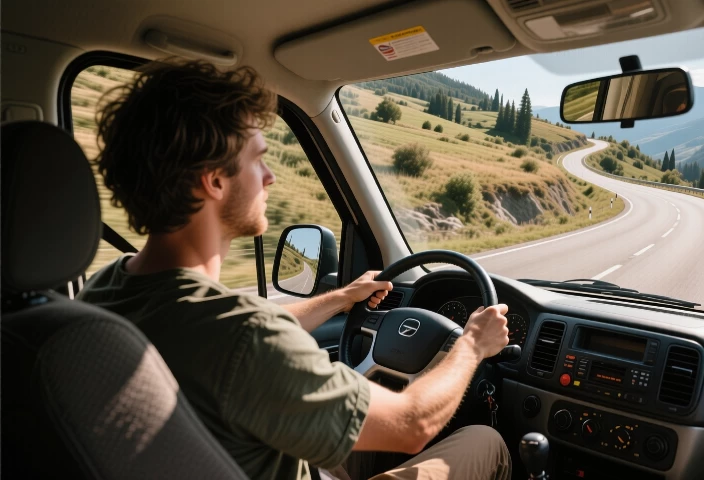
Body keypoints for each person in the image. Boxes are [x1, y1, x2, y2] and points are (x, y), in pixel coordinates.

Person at [78, 58, 512, 480]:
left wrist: (341, 298)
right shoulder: (246, 339)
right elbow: (412, 425)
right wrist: (473, 343)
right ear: (213, 179)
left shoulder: (106, 288)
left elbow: (227, 338)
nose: (269, 177)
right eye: (257, 159)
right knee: (484, 441)